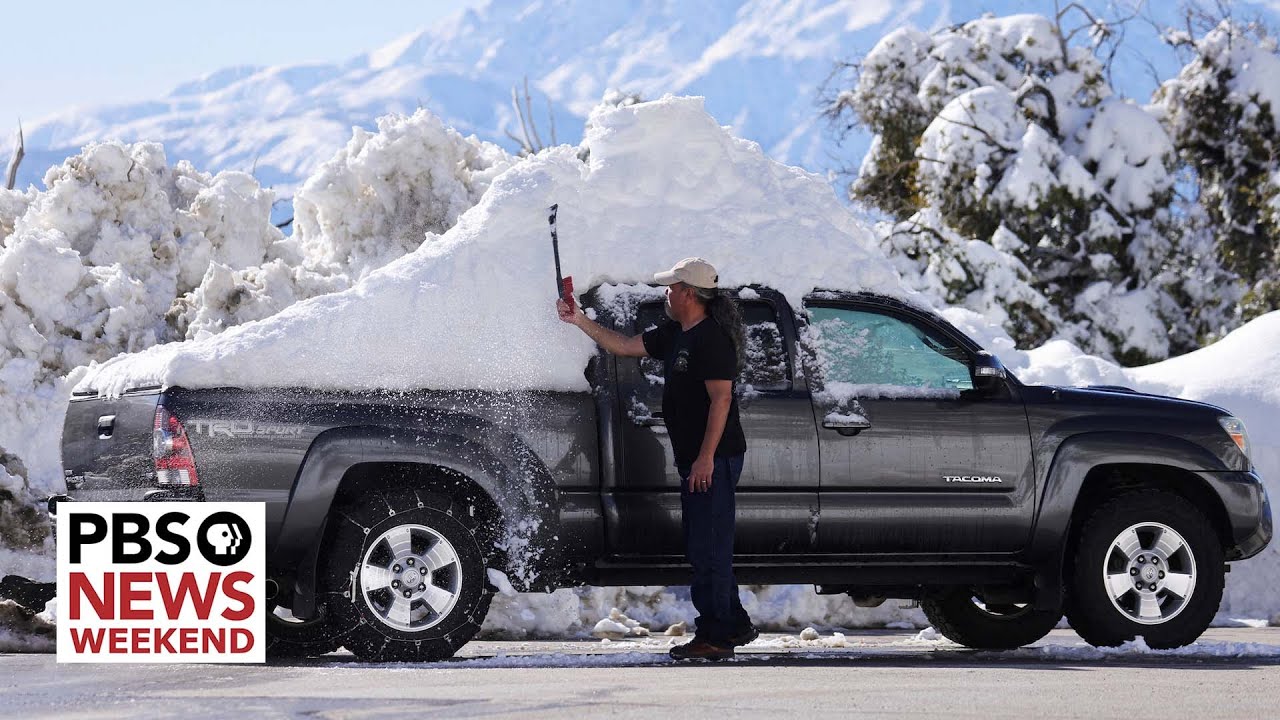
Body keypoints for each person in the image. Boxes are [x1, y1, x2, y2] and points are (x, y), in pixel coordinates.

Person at [557, 257, 756, 660]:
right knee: (706, 547)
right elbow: (625, 346)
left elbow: (721, 401)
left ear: (687, 293)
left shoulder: (712, 338)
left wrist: (705, 459)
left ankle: (717, 637)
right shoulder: (677, 332)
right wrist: (578, 320)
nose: (665, 292)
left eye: (671, 287)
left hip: (711, 461)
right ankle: (732, 624)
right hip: (698, 460)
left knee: (709, 550)